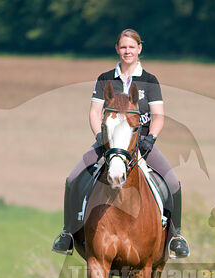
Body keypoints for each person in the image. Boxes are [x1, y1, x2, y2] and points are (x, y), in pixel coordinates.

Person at [52, 28, 190, 258]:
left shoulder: (149, 80)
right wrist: (99, 136)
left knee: (173, 184)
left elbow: (158, 116)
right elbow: (95, 112)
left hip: (141, 143)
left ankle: (175, 237)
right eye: (123, 47)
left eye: (131, 47)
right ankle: (67, 233)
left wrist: (151, 139)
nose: (127, 51)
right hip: (109, 143)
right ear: (117, 49)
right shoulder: (105, 78)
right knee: (73, 178)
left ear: (139, 49)